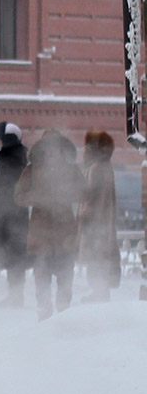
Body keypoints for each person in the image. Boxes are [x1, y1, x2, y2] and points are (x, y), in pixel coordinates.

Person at [15, 131, 84, 320]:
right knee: (42, 275)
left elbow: (83, 193)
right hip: (41, 233)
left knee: (65, 275)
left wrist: (65, 195)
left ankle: (64, 313)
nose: (51, 151)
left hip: (65, 232)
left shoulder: (72, 170)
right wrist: (37, 198)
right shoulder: (32, 169)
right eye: (48, 147)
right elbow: (18, 196)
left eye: (55, 147)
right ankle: (44, 313)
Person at [0, 122, 30, 307]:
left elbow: (3, 189)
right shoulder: (20, 158)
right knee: (16, 255)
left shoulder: (8, 160)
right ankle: (15, 294)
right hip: (17, 213)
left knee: (14, 255)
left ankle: (15, 296)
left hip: (8, 214)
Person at [79, 129, 119, 302]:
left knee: (96, 257)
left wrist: (85, 218)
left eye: (87, 147)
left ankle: (99, 294)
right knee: (100, 258)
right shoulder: (105, 166)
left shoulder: (96, 169)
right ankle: (100, 293)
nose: (84, 150)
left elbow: (93, 199)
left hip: (95, 224)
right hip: (102, 223)